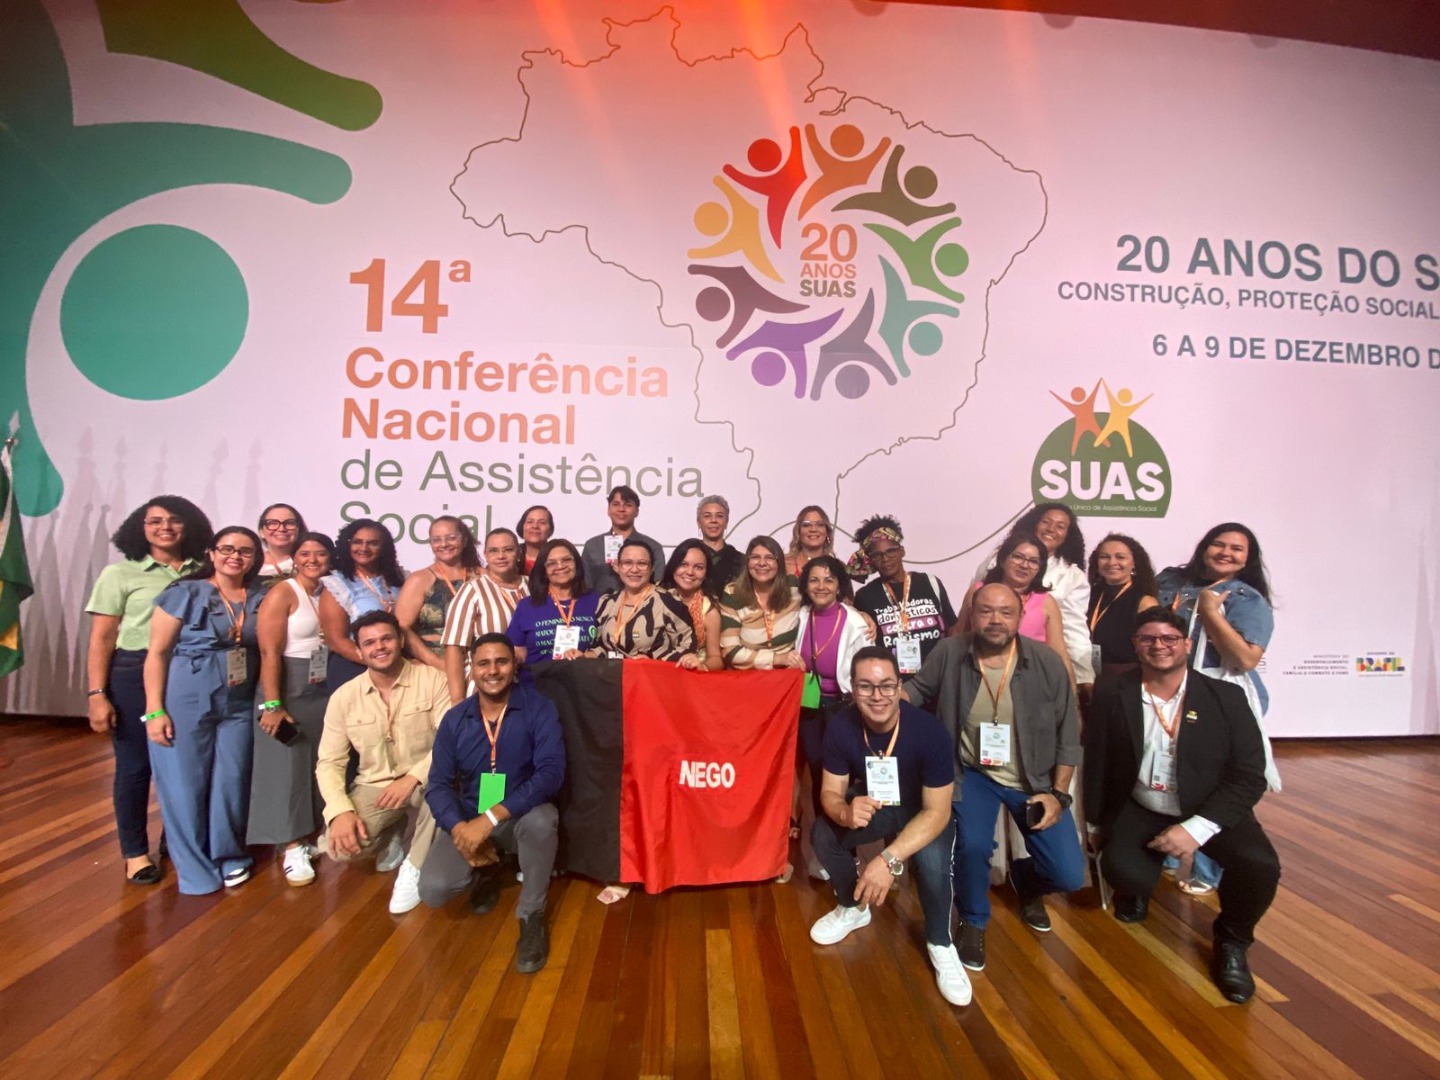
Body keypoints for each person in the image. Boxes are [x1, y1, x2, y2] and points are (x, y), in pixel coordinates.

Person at [1085, 608, 1280, 1004]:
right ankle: (1139, 885)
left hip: (1206, 808)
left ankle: (1233, 942)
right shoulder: (1111, 690)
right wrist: (1095, 825)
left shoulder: (1226, 697)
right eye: (1148, 638)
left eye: (1169, 638)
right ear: (1136, 644)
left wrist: (1195, 830)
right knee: (1121, 869)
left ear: (1187, 644)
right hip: (1142, 803)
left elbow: (1249, 776)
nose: (1159, 646)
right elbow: (1098, 760)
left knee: (1260, 865)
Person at [903, 583, 1084, 972]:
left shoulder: (1047, 662)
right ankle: (973, 920)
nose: (995, 620)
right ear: (972, 615)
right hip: (973, 774)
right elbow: (917, 689)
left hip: (1034, 780)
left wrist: (1058, 794)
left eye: (1005, 612)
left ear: (1021, 617)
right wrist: (883, 698)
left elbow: (1069, 735)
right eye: (985, 611)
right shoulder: (950, 652)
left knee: (1069, 875)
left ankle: (1026, 880)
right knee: (971, 846)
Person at [809, 646, 970, 1007]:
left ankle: (940, 943)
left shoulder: (930, 732)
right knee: (823, 833)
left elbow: (938, 812)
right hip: (878, 802)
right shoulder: (840, 726)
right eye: (866, 686)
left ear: (899, 686)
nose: (877, 696)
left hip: (923, 810)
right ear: (853, 688)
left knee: (932, 865)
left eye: (886, 686)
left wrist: (887, 861)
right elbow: (830, 792)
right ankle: (853, 908)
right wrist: (844, 813)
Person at [85, 495, 213, 885]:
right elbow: (102, 638)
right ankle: (135, 853)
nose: (165, 527)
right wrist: (96, 693)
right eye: (155, 521)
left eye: (174, 520)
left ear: (189, 526)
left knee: (187, 763)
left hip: (190, 670)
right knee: (135, 765)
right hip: (133, 670)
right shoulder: (119, 574)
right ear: (140, 528)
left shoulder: (205, 570)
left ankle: (175, 839)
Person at [421, 634, 565, 975]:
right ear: (471, 669)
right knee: (433, 889)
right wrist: (460, 830)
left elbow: (550, 774)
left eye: (501, 661)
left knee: (543, 821)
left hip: (520, 815)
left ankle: (531, 915)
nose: (493, 671)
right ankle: (487, 869)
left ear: (514, 665)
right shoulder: (455, 719)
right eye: (483, 663)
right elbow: (438, 785)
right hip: (470, 818)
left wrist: (490, 818)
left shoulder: (539, 708)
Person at [142, 525, 266, 894]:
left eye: (244, 551)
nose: (235, 556)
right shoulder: (185, 592)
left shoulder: (261, 596)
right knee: (185, 783)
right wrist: (154, 711)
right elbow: (157, 653)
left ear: (255, 558)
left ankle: (229, 854)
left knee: (232, 781)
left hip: (240, 698)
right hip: (187, 694)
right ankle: (195, 867)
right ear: (211, 553)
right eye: (227, 548)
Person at [1155, 522, 1278, 894]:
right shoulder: (1170, 581)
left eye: (1236, 549)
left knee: (1212, 781)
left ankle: (1208, 868)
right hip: (1170, 690)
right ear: (1204, 547)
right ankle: (1167, 851)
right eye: (1218, 544)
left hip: (1221, 698)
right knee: (1166, 770)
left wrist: (1210, 611)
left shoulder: (1246, 598)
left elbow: (1245, 658)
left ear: (1247, 559)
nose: (1225, 553)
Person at [315, 611, 452, 915]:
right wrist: (339, 812)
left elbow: (449, 742)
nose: (379, 647)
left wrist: (412, 778)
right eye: (370, 643)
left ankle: (414, 866)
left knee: (443, 794)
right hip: (375, 784)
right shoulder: (344, 697)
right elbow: (329, 762)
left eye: (386, 639)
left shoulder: (434, 680)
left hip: (427, 778)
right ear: (359, 650)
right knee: (340, 850)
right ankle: (391, 833)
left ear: (400, 640)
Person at [249, 531, 335, 886]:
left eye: (320, 554)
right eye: (305, 553)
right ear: (294, 558)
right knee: (284, 765)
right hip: (286, 683)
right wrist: (272, 704)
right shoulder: (283, 593)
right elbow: (269, 652)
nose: (313, 560)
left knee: (312, 763)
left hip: (320, 685)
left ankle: (309, 833)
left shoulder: (328, 591)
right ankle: (291, 845)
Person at [795, 555, 874, 872]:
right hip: (809, 708)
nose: (821, 586)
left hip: (844, 707)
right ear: (805, 586)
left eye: (829, 580)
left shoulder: (856, 622)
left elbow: (864, 670)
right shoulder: (800, 616)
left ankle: (848, 850)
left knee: (843, 776)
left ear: (840, 585)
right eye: (814, 580)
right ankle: (825, 851)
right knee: (818, 775)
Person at [976, 503, 1094, 695]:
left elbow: (1074, 631)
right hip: (982, 660)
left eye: (1060, 526)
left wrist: (1082, 677)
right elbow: (975, 603)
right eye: (1046, 522)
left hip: (1033, 668)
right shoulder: (996, 558)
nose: (1051, 529)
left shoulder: (1071, 576)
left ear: (1067, 535)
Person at [959, 533, 1075, 685]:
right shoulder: (979, 591)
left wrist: (1072, 694)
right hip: (978, 677)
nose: (1025, 565)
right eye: (1018, 557)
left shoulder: (1046, 602)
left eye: (1033, 561)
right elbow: (959, 635)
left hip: (1031, 681)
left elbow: (1059, 652)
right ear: (1003, 559)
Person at [850, 514, 955, 676]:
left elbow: (952, 629)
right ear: (870, 560)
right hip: (893, 681)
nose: (885, 559)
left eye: (891, 551)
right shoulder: (865, 596)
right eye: (877, 555)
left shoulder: (930, 583)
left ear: (902, 551)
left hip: (937, 677)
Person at [440, 527, 530, 703]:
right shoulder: (472, 589)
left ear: (518, 553)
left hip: (529, 680)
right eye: (494, 551)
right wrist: (457, 701)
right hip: (487, 682)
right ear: (486, 555)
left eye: (508, 550)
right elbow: (454, 648)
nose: (501, 556)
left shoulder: (533, 586)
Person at [318, 519, 406, 690]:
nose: (364, 548)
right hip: (355, 669)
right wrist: (382, 663)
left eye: (372, 543)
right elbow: (336, 640)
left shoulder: (401, 578)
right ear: (347, 545)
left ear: (383, 547)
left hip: (400, 666)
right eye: (357, 542)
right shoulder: (337, 584)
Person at [580, 537, 696, 661]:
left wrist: (654, 662)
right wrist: (583, 655)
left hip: (651, 672)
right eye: (627, 563)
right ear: (617, 566)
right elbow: (603, 648)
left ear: (651, 568)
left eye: (642, 563)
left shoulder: (668, 602)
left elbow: (688, 647)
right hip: (612, 672)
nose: (634, 569)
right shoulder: (606, 602)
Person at [396, 515, 480, 674]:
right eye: (436, 540)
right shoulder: (419, 580)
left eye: (451, 538)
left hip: (479, 667)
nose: (444, 544)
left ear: (464, 540)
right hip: (433, 669)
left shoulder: (482, 576)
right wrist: (437, 663)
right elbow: (402, 628)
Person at [507, 539, 601, 672]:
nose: (560, 566)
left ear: (577, 564)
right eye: (551, 563)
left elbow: (606, 647)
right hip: (537, 681)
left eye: (566, 560)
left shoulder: (597, 601)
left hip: (583, 680)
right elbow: (518, 652)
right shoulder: (527, 606)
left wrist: (587, 656)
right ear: (544, 571)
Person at [719, 535, 805, 670]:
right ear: (747, 562)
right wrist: (777, 659)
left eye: (769, 558)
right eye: (755, 557)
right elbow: (730, 651)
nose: (762, 563)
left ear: (779, 563)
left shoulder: (793, 587)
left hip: (788, 673)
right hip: (748, 675)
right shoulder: (733, 593)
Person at [1086, 533, 1160, 682]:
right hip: (1087, 673)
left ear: (1134, 563)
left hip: (1128, 679)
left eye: (1120, 557)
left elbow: (1153, 649)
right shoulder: (1087, 594)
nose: (1111, 562)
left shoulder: (1145, 602)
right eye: (1104, 557)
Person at [581, 486, 665, 595]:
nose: (621, 509)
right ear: (608, 510)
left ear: (637, 511)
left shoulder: (653, 546)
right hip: (598, 604)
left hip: (641, 604)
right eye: (616, 504)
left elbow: (658, 585)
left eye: (628, 505)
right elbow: (585, 584)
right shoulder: (592, 545)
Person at [661, 540, 723, 672]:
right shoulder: (656, 597)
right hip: (657, 672)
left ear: (706, 573)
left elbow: (716, 658)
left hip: (693, 675)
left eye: (698, 567)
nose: (690, 572)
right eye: (683, 564)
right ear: (673, 566)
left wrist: (703, 666)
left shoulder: (709, 611)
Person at [696, 494, 743, 596]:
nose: (713, 520)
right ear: (699, 522)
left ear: (726, 522)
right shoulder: (687, 557)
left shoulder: (740, 561)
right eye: (707, 516)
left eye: (719, 516)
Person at [255, 503, 308, 581]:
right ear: (261, 532)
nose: (281, 529)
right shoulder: (251, 564)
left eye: (289, 523)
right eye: (273, 523)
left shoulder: (310, 562)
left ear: (299, 529)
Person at [784, 505, 835, 580]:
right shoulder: (783, 564)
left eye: (820, 525)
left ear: (827, 532)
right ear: (798, 531)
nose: (813, 529)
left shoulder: (837, 567)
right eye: (806, 525)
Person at [515, 505, 555, 576]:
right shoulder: (511, 556)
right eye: (530, 522)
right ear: (522, 526)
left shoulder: (557, 558)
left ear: (550, 529)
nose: (535, 526)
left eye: (542, 522)